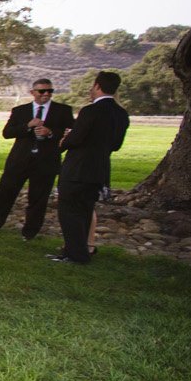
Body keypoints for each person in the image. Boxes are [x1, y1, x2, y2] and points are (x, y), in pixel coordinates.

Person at [0, 78, 75, 240]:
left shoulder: (63, 110)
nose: (46, 94)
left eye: (50, 91)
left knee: (38, 198)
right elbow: (7, 133)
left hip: (46, 161)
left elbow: (71, 132)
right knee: (5, 194)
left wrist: (50, 133)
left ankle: (30, 233)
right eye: (42, 91)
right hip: (19, 160)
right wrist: (27, 126)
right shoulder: (20, 111)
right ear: (33, 93)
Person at [51, 71, 129, 264]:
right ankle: (79, 251)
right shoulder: (121, 113)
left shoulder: (90, 111)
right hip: (99, 169)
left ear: (97, 86)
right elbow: (116, 145)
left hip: (78, 169)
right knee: (85, 211)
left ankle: (75, 255)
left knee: (69, 211)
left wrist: (64, 140)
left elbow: (75, 139)